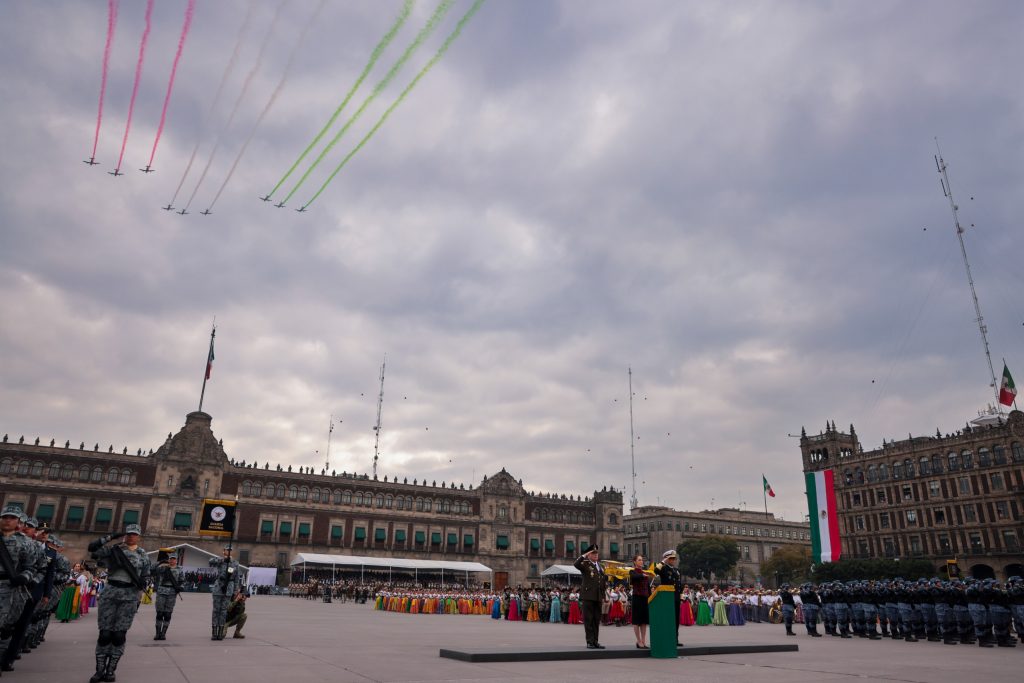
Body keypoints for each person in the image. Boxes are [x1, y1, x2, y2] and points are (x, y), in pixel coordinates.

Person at [88, 523, 151, 683]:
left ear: (138, 536)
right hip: (110, 592)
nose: (131, 536)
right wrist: (110, 537)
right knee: (105, 634)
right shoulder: (114, 549)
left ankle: (111, 670)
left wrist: (142, 585)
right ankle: (99, 670)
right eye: (128, 534)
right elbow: (92, 549)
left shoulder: (143, 555)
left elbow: (145, 576)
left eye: (134, 534)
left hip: (129, 595)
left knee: (118, 635)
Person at [573, 543, 607, 649]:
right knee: (588, 619)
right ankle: (589, 641)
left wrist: (603, 595)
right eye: (593, 553)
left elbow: (602, 582)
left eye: (596, 553)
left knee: (596, 620)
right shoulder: (585, 564)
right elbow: (576, 564)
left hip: (598, 596)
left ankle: (595, 641)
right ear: (589, 555)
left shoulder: (601, 566)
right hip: (588, 595)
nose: (596, 555)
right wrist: (584, 555)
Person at [209, 547, 240, 640]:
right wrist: (223, 560)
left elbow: (236, 579)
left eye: (230, 550)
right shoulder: (220, 560)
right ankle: (214, 632)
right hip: (219, 587)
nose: (229, 551)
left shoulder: (235, 563)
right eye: (227, 550)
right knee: (216, 610)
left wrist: (235, 591)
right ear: (223, 551)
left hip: (229, 588)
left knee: (223, 611)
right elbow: (211, 562)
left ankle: (220, 632)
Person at [655, 549, 684, 645]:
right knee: (668, 619)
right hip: (667, 597)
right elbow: (655, 570)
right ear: (667, 559)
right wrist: (663, 561)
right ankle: (667, 638)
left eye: (674, 559)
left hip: (676, 597)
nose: (673, 560)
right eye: (671, 558)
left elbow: (680, 584)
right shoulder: (663, 568)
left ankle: (675, 639)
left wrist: (681, 595)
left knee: (676, 619)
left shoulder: (677, 570)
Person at [152, 549, 182, 641]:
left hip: (172, 593)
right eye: (171, 559)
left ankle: (163, 633)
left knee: (168, 614)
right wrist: (160, 562)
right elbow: (152, 569)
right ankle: (157, 633)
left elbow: (182, 581)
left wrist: (180, 587)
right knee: (160, 613)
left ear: (176, 560)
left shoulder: (179, 570)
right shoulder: (162, 568)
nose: (172, 560)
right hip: (161, 592)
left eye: (174, 559)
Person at [629, 554, 651, 648]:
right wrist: (643, 575)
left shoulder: (644, 572)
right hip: (637, 598)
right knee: (636, 620)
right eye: (639, 560)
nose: (641, 561)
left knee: (644, 621)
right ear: (634, 562)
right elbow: (634, 578)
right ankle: (638, 641)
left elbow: (647, 587)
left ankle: (643, 640)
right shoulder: (632, 571)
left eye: (642, 560)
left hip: (645, 598)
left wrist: (651, 596)